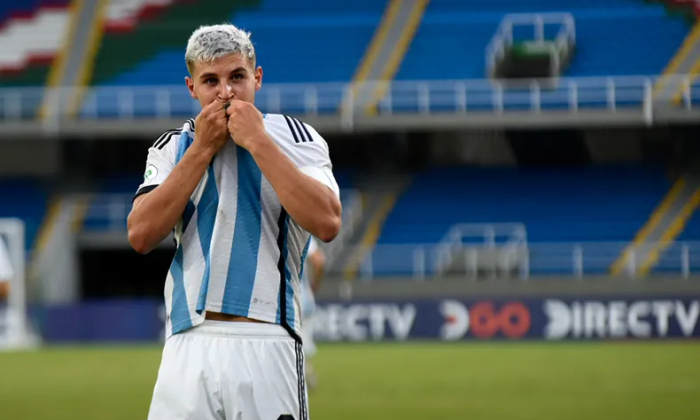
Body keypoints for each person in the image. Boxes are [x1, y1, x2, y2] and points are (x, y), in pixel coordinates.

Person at [127, 24, 342, 420]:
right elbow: (141, 234)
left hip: (269, 336)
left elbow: (327, 221)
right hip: (187, 343)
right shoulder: (172, 146)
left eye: (237, 77)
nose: (226, 92)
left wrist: (258, 141)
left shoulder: (296, 136)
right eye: (211, 81)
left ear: (257, 79)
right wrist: (203, 148)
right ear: (192, 87)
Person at [299, 237, 326, 391]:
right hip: (304, 299)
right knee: (303, 342)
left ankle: (302, 379)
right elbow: (319, 261)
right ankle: (306, 377)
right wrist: (314, 286)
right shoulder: (303, 232)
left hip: (283, 299)